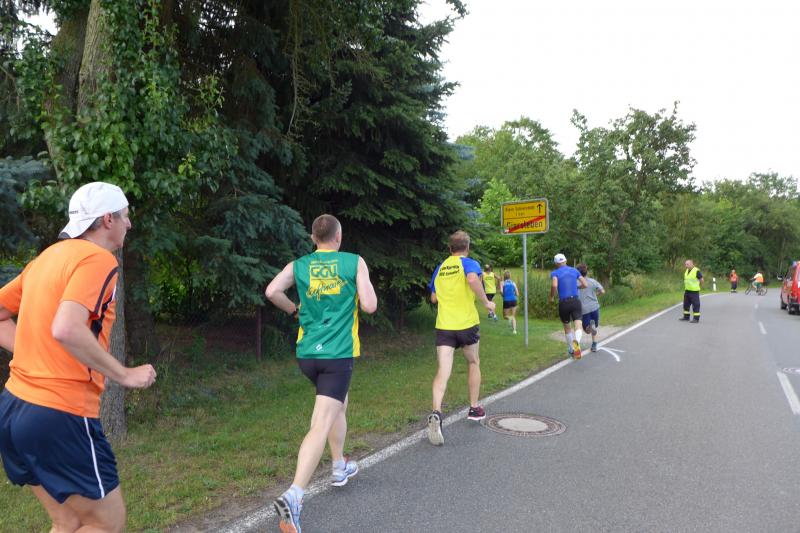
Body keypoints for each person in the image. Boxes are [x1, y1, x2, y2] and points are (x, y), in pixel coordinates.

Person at [0, 182, 157, 533]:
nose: (129, 223)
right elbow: (67, 327)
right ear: (107, 220)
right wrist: (125, 374)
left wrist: (36, 351)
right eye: (125, 215)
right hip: (59, 414)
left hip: (13, 409)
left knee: (69, 521)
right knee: (107, 523)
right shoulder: (99, 260)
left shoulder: (47, 258)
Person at [265, 214, 377, 533]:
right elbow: (369, 306)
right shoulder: (353, 262)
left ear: (314, 238)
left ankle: (339, 466)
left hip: (307, 355)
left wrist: (295, 310)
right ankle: (294, 495)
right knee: (321, 422)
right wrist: (362, 285)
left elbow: (272, 291)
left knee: (339, 403)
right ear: (338, 237)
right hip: (336, 355)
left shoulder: (299, 265)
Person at [426, 230, 495, 446]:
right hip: (466, 324)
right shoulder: (469, 264)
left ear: (450, 248)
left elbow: (434, 297)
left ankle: (436, 412)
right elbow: (472, 278)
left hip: (444, 326)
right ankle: (474, 408)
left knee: (443, 371)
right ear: (467, 248)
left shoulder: (441, 267)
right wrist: (486, 302)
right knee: (473, 362)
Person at [549, 253, 588, 358]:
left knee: (567, 327)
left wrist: (551, 297)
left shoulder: (555, 273)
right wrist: (577, 287)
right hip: (575, 301)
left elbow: (554, 285)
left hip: (564, 303)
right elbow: (585, 284)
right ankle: (577, 341)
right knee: (578, 324)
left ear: (556, 263)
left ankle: (571, 349)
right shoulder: (575, 271)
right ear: (565, 261)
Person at [576, 264, 605, 353]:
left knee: (587, 330)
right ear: (586, 272)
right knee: (594, 327)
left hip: (584, 309)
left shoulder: (576, 283)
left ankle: (589, 327)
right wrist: (596, 294)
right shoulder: (592, 281)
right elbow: (602, 291)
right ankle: (594, 344)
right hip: (594, 307)